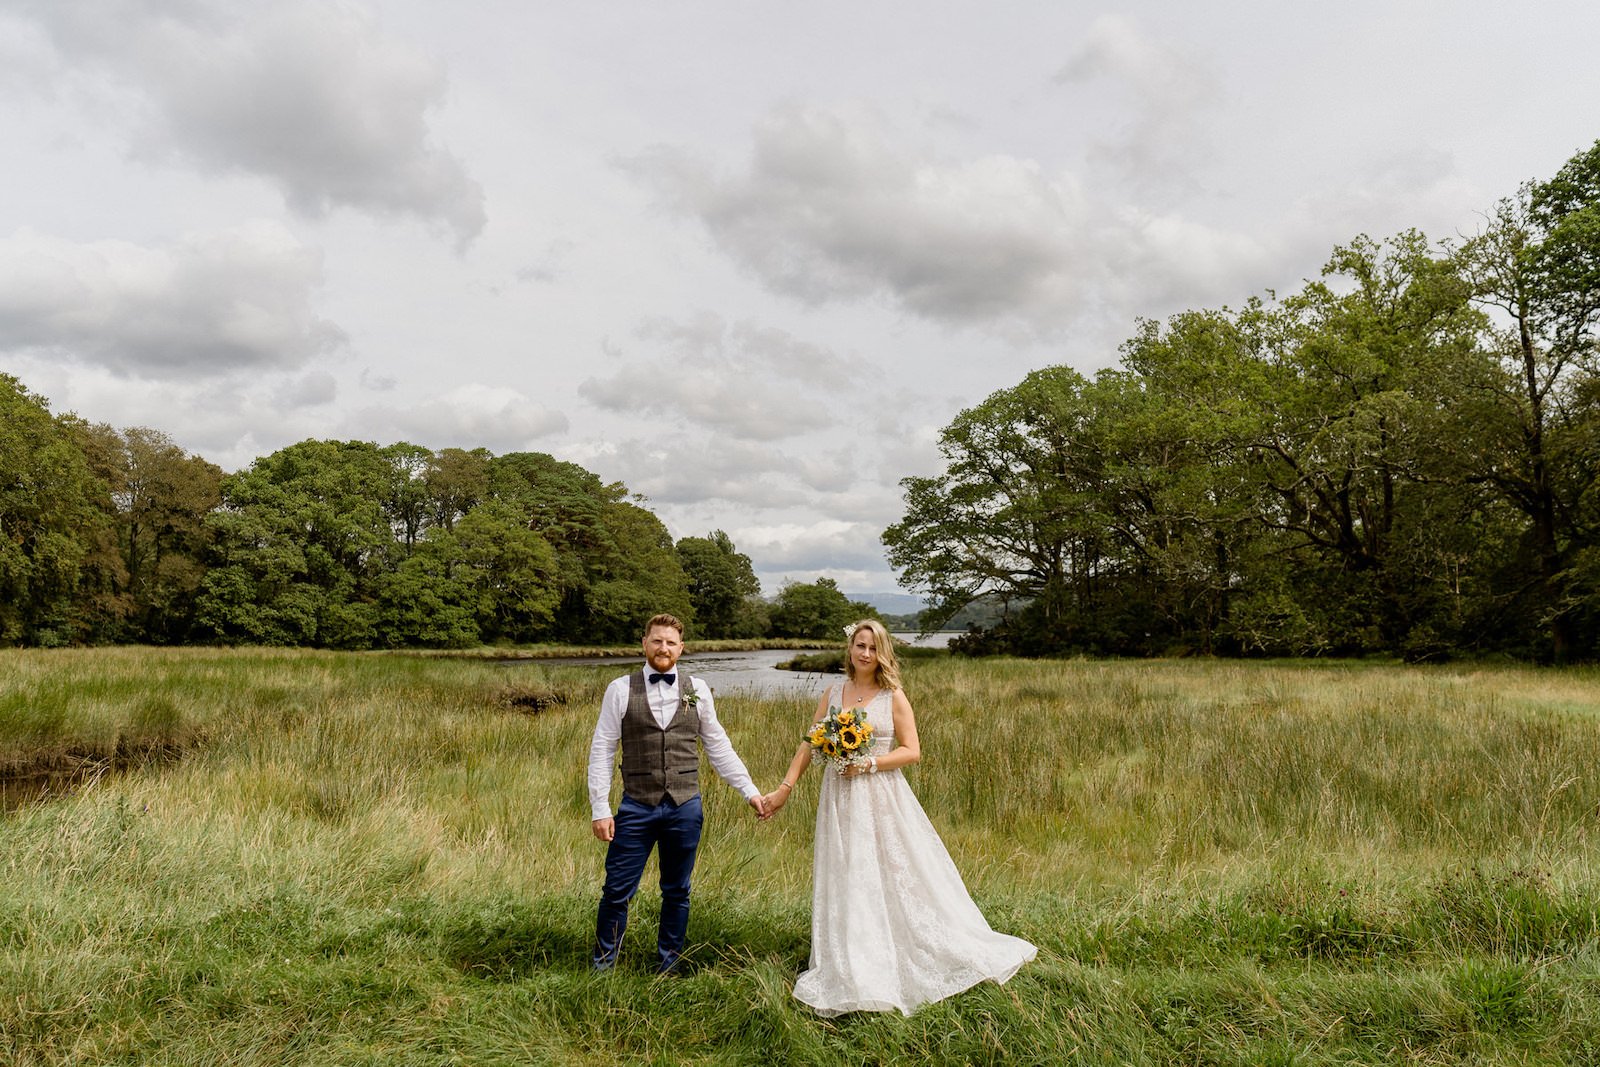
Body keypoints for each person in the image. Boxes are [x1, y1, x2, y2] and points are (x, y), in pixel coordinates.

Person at [760, 619, 1035, 1015]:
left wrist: (869, 763)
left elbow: (912, 750)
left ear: (882, 652)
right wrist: (784, 788)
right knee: (847, 870)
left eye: (873, 647)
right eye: (860, 645)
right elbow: (809, 743)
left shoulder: (893, 696)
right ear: (850, 649)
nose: (865, 654)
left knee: (891, 869)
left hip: (880, 796)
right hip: (838, 797)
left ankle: (903, 946)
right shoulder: (833, 692)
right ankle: (851, 953)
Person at [588, 613, 766, 974]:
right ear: (644, 643)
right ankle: (603, 966)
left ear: (681, 648)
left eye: (670, 642)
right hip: (636, 806)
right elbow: (602, 749)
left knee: (677, 891)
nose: (663, 648)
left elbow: (719, 747)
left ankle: (668, 964)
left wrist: (749, 791)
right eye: (657, 641)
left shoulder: (696, 689)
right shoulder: (620, 689)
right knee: (617, 890)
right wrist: (600, 807)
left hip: (685, 806)